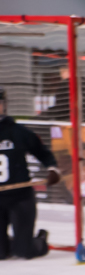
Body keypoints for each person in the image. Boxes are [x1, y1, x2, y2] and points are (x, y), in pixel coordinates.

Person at [0, 88, 60, 259]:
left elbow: (43, 153)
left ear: (4, 106)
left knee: (24, 252)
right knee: (1, 255)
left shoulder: (18, 132)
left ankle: (39, 240)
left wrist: (52, 169)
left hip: (20, 198)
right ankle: (10, 242)